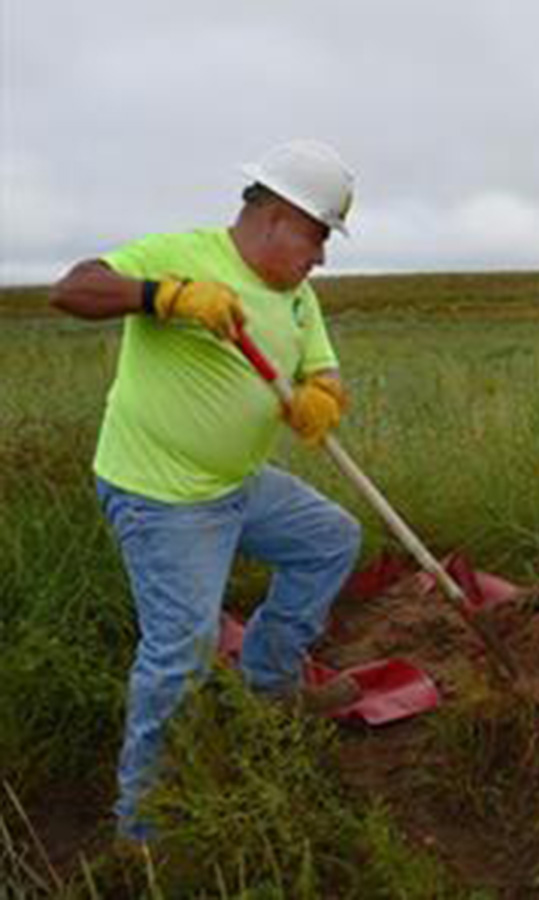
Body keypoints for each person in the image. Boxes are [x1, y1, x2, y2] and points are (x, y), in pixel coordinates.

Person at [50, 139, 363, 842]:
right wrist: (165, 298)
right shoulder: (184, 254)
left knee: (330, 540)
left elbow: (325, 372)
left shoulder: (298, 297)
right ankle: (143, 828)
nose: (321, 257)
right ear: (279, 215)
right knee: (182, 649)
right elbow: (71, 288)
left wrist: (324, 399)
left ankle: (271, 685)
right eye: (318, 236)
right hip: (163, 496)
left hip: (236, 485)